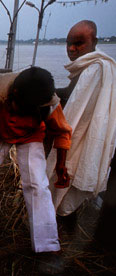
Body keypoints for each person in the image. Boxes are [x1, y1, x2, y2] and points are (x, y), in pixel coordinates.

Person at [0, 68, 71, 272]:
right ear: (13, 96)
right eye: (19, 107)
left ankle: (47, 246)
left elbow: (62, 132)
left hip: (31, 136)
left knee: (37, 186)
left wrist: (61, 165)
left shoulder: (48, 102)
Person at [47, 20, 116, 216]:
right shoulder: (87, 67)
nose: (71, 48)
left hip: (77, 138)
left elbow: (76, 114)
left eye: (79, 43)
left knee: (69, 173)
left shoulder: (95, 69)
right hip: (74, 138)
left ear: (94, 41)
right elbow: (71, 96)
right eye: (68, 43)